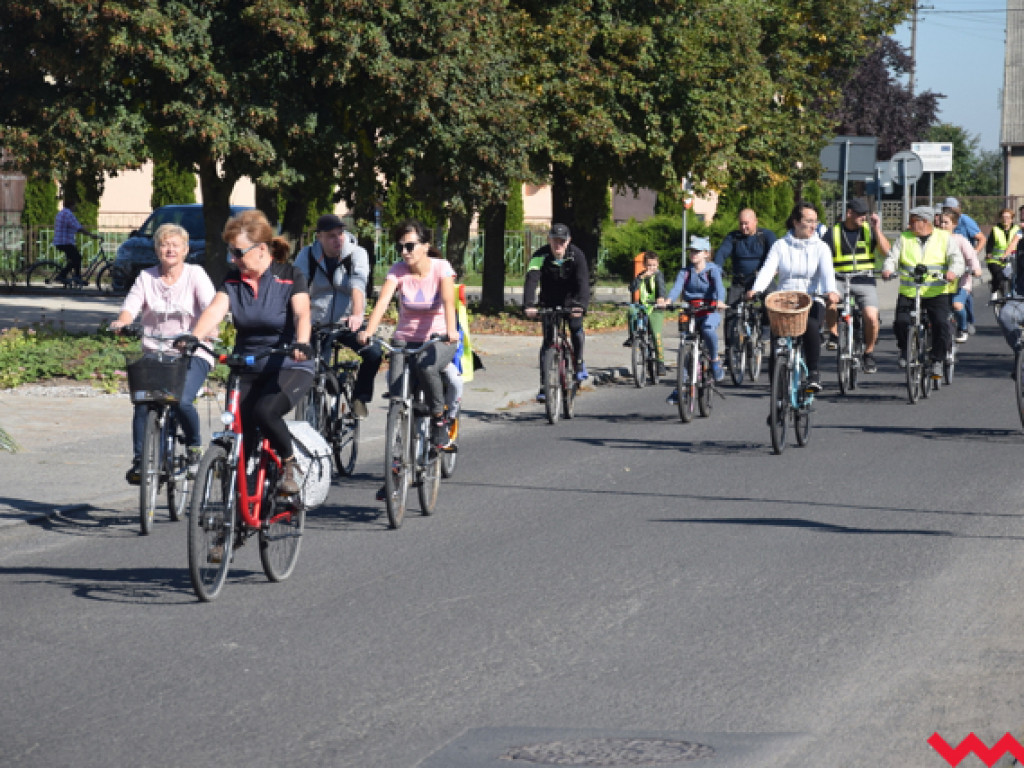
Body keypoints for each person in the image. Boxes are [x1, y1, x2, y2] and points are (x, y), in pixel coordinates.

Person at [186, 210, 314, 497]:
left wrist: (302, 344)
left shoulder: (290, 276)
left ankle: (289, 465)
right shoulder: (233, 281)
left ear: (261, 250)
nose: (233, 259)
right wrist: (193, 338)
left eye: (238, 252)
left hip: (288, 364)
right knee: (241, 433)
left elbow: (302, 314)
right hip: (246, 365)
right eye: (230, 252)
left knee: (265, 412)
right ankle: (236, 516)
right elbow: (214, 311)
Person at [110, 223, 216, 484]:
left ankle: (193, 446)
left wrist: (197, 336)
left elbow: (211, 308)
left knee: (180, 400)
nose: (170, 249)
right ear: (157, 250)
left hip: (192, 353)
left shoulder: (196, 275)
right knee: (143, 400)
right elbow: (130, 307)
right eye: (164, 244)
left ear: (185, 250)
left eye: (175, 245)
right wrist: (122, 324)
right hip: (156, 352)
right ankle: (140, 460)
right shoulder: (146, 277)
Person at [357, 220, 458, 452]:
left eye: (410, 246)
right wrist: (368, 332)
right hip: (404, 339)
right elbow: (382, 302)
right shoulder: (397, 270)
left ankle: (438, 418)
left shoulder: (441, 267)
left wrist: (451, 330)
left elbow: (448, 301)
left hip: (438, 338)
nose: (404, 252)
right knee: (396, 395)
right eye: (400, 247)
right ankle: (397, 464)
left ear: (425, 246)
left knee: (425, 368)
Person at [293, 213, 382, 419]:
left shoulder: (356, 253)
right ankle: (316, 410)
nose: (337, 239)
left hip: (347, 322)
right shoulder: (306, 255)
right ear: (319, 237)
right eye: (331, 235)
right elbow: (299, 289)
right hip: (318, 323)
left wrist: (357, 314)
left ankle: (359, 397)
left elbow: (358, 284)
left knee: (374, 352)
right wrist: (299, 319)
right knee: (313, 368)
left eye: (340, 234)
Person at [748, 202, 839, 392]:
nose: (813, 226)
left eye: (815, 221)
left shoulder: (821, 248)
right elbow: (767, 270)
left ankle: (813, 373)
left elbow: (827, 274)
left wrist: (831, 291)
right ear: (796, 222)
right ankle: (777, 397)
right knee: (777, 343)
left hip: (812, 298)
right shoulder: (780, 246)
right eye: (809, 221)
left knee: (811, 325)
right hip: (784, 300)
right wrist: (756, 290)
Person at [881, 205, 964, 378]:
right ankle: (905, 349)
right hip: (910, 291)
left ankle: (937, 360)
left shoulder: (944, 237)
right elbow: (892, 257)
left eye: (912, 221)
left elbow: (957, 260)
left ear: (925, 221)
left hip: (936, 292)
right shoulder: (904, 238)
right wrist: (888, 269)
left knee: (941, 324)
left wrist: (953, 272)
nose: (909, 225)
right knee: (901, 323)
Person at [523, 222, 590, 402]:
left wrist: (581, 306)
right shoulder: (540, 255)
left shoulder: (577, 255)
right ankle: (544, 386)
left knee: (575, 328)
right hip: (549, 301)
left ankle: (579, 362)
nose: (558, 244)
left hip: (572, 300)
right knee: (547, 341)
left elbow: (583, 282)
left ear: (568, 242)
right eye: (554, 241)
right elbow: (531, 280)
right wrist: (529, 304)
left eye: (562, 241)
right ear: (549, 240)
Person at [823, 198, 890, 374]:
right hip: (839, 279)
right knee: (830, 301)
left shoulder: (869, 230)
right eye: (860, 214)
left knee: (871, 317)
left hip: (864, 279)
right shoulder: (833, 232)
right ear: (849, 213)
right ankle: (834, 334)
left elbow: (886, 251)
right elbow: (822, 257)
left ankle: (868, 353)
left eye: (865, 214)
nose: (863, 218)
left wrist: (877, 228)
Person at [665, 235, 725, 404]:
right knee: (685, 343)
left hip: (709, 309)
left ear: (706, 253)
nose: (693, 254)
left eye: (697, 251)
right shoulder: (685, 272)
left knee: (707, 329)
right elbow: (676, 288)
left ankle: (714, 360)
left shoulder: (712, 271)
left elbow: (720, 288)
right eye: (691, 251)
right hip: (691, 310)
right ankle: (682, 387)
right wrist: (668, 301)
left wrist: (719, 301)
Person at [714, 208, 777, 356]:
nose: (743, 227)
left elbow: (775, 255)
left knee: (772, 300)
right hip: (740, 280)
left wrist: (771, 271)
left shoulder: (766, 236)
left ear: (755, 222)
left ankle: (766, 329)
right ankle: (731, 349)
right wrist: (717, 269)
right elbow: (722, 253)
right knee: (730, 311)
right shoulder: (733, 237)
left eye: (746, 224)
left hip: (761, 279)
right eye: (741, 224)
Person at [937, 210, 982, 343]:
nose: (943, 225)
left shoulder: (960, 240)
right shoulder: (935, 239)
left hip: (960, 281)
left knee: (957, 305)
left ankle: (962, 327)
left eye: (946, 223)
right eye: (941, 222)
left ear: (954, 224)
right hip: (939, 281)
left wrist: (976, 269)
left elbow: (971, 257)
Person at [625, 250, 668, 376]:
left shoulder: (658, 275)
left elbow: (661, 287)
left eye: (654, 265)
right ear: (644, 265)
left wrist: (661, 298)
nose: (652, 268)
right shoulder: (642, 275)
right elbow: (632, 288)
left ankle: (660, 362)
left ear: (658, 265)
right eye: (649, 265)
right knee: (632, 310)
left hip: (656, 308)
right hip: (643, 306)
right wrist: (640, 278)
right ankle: (633, 336)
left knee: (656, 334)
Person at [53, 201, 101, 287]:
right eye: (75, 205)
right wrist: (91, 235)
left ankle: (69, 276)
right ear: (71, 205)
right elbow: (78, 227)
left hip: (60, 241)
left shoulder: (61, 213)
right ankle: (73, 277)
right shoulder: (68, 214)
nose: (76, 207)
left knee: (73, 259)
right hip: (65, 242)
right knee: (77, 258)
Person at [983, 208, 1021, 301]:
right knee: (998, 275)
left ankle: (1010, 294)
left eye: (1008, 217)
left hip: (1011, 259)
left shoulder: (1017, 229)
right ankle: (994, 290)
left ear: (1012, 219)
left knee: (1011, 277)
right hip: (995, 259)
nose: (1005, 220)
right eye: (1003, 217)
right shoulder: (995, 229)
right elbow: (990, 244)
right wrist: (989, 253)